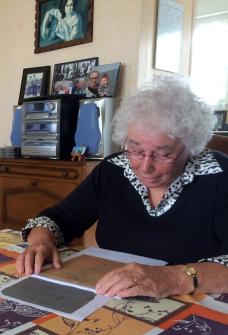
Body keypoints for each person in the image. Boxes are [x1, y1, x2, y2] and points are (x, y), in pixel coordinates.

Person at [16, 76, 228, 298]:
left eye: (164, 154)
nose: (145, 167)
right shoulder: (113, 170)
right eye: (135, 150)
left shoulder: (220, 177)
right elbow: (59, 218)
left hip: (195, 307)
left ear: (191, 146)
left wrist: (171, 278)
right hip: (113, 298)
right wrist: (40, 242)